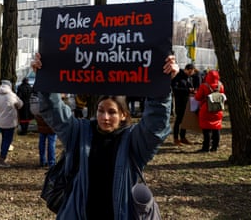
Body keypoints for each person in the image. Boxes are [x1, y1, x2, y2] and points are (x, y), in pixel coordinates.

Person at [31, 53, 179, 219]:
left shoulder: (133, 141)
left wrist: (162, 84)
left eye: (112, 112)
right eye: (101, 111)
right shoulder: (80, 133)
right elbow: (54, 110)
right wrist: (44, 77)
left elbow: (155, 123)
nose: (105, 117)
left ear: (123, 115)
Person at [0, 80, 23, 168]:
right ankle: (2, 159)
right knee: (7, 141)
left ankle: (2, 157)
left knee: (4, 140)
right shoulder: (12, 95)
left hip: (0, 122)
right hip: (10, 122)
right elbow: (20, 105)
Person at [194, 70, 225, 152]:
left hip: (206, 109)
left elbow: (198, 97)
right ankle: (215, 146)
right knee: (216, 128)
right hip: (218, 109)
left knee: (206, 129)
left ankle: (206, 147)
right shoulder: (221, 85)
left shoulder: (204, 86)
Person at [171, 63, 196, 146]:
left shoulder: (188, 78)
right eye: (189, 72)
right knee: (178, 120)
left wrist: (192, 90)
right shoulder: (178, 76)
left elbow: (190, 87)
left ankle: (183, 137)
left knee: (185, 120)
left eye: (191, 73)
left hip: (187, 101)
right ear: (186, 69)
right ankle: (175, 138)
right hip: (179, 102)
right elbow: (175, 89)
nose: (190, 74)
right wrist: (187, 90)